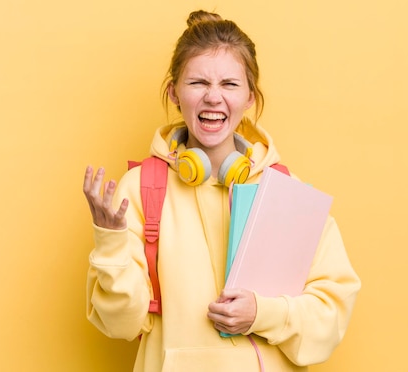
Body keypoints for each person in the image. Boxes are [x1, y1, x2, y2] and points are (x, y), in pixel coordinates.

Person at [83, 10, 360, 372]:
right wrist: (111, 245)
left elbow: (330, 315)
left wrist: (263, 313)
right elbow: (121, 324)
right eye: (198, 83)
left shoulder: (285, 193)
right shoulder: (140, 189)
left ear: (249, 97)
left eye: (230, 84)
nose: (214, 97)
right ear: (174, 93)